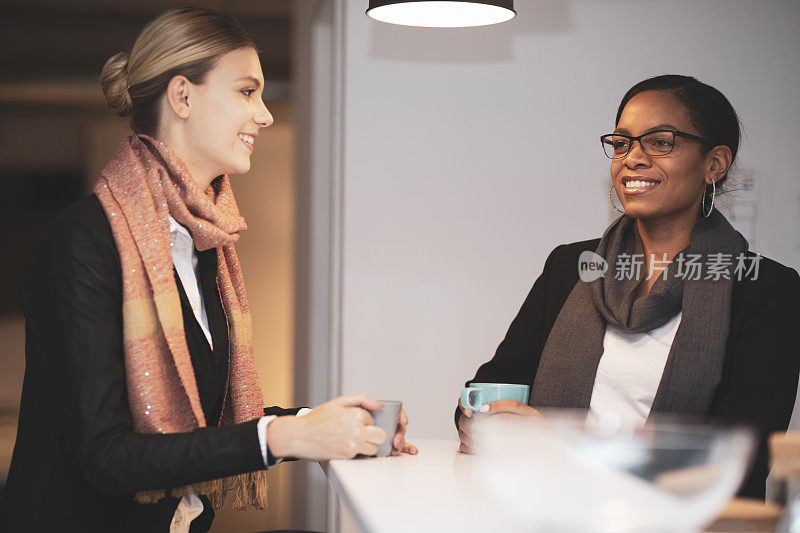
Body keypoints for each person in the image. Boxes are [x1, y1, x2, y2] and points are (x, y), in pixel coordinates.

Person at [0, 7, 416, 532]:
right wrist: (286, 439)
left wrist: (322, 425)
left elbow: (205, 417)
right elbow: (106, 456)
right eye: (247, 92)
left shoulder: (206, 243)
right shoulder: (84, 240)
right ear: (182, 96)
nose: (265, 114)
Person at [456, 74, 800, 499]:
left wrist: (563, 445)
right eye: (621, 143)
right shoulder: (573, 266)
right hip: (549, 508)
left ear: (714, 163)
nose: (632, 159)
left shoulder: (768, 289)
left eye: (660, 142)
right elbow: (489, 386)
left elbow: (743, 453)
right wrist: (483, 423)